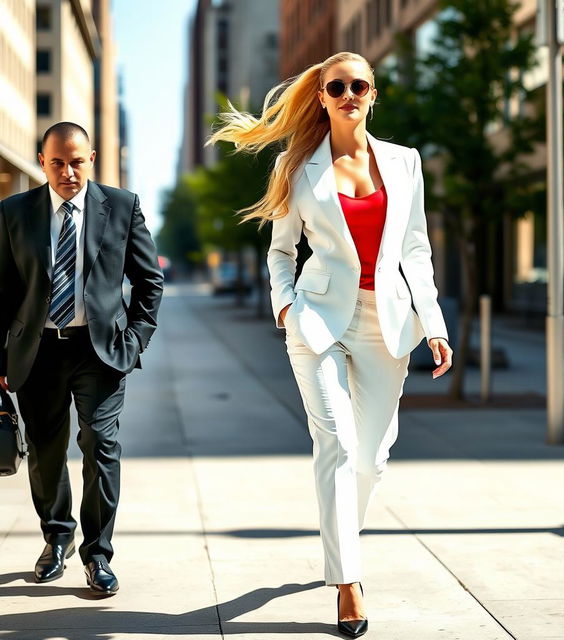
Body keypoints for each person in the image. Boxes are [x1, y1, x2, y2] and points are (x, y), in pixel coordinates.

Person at [209, 51, 452, 637]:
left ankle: (344, 544)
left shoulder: (405, 162)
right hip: (318, 320)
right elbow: (281, 250)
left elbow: (415, 249)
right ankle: (347, 582)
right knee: (338, 445)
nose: (348, 94)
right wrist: (287, 306)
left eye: (358, 85)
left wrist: (435, 321)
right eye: (336, 85)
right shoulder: (299, 167)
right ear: (321, 96)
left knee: (371, 458)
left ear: (373, 93)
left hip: (386, 321)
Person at [0, 122, 163, 595]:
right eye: (57, 162)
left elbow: (149, 281)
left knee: (99, 444)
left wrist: (134, 342)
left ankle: (98, 554)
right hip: (37, 350)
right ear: (43, 160)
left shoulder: (121, 206)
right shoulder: (14, 212)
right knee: (46, 452)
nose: (67, 171)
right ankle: (57, 540)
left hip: (101, 352)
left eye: (76, 161)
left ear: (91, 157)